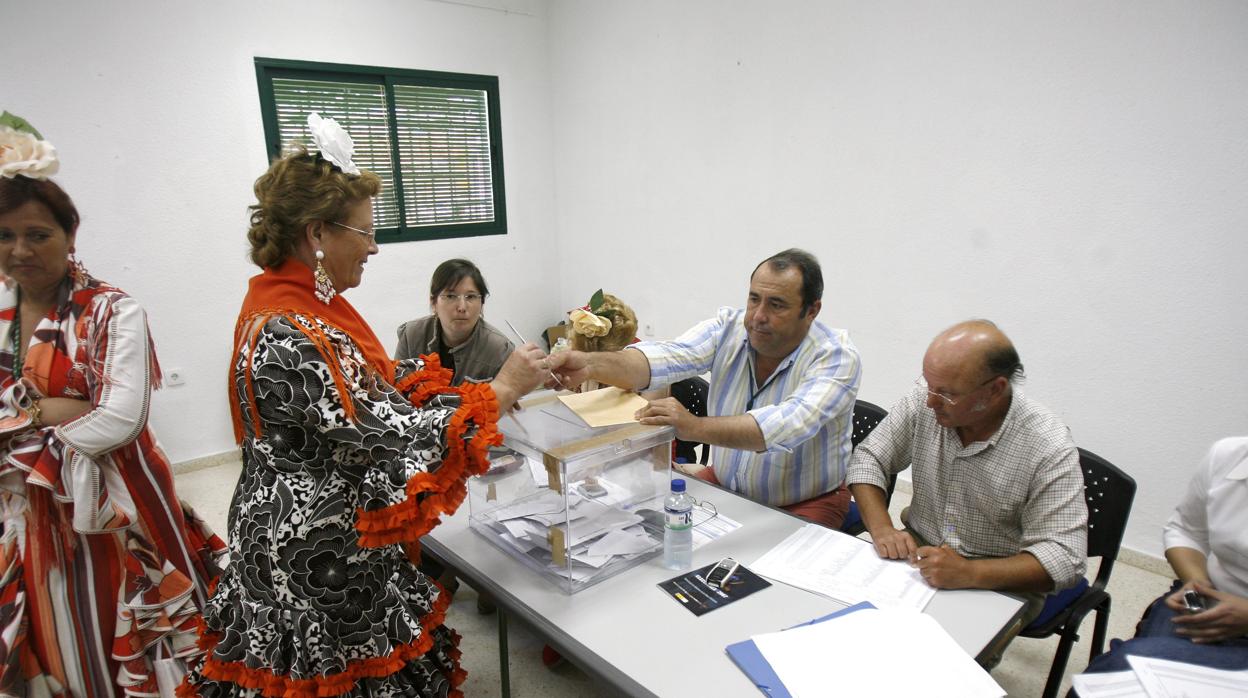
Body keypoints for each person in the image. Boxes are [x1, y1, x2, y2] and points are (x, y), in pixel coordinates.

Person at [181, 114, 558, 695]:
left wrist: (485, 385)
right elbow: (383, 433)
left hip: (318, 535)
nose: (375, 246)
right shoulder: (289, 330)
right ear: (317, 234)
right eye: (364, 231)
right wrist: (499, 391)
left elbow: (378, 384)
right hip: (311, 557)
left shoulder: (298, 308)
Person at [0, 114, 225, 693]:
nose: (20, 250)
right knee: (57, 635)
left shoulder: (112, 310)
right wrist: (61, 408)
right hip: (26, 512)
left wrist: (18, 424)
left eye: (37, 234)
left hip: (114, 508)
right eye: (3, 236)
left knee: (131, 632)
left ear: (70, 235)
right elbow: (88, 412)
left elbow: (120, 420)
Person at [553, 249, 861, 529]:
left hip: (805, 502)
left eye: (776, 305)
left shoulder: (836, 357)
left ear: (811, 310)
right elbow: (665, 357)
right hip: (727, 485)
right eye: (754, 299)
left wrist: (694, 427)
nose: (758, 316)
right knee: (660, 536)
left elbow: (788, 425)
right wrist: (588, 363)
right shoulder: (729, 328)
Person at [847, 319, 1087, 663]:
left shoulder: (1047, 446)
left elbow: (1065, 557)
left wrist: (970, 573)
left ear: (995, 389)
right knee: (855, 631)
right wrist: (882, 527)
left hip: (1000, 577)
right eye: (928, 385)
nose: (931, 402)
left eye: (946, 393)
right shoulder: (926, 401)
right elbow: (869, 459)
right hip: (919, 551)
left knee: (939, 665)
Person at [1079, 437, 1248, 677]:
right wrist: (1196, 582)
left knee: (1130, 662)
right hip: (1208, 595)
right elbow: (1186, 531)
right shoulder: (1228, 456)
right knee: (1120, 673)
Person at [395, 258, 513, 385]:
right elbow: (395, 390)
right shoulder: (411, 334)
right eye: (451, 296)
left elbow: (505, 401)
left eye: (471, 297)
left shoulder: (500, 349)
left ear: (482, 303)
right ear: (434, 302)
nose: (462, 307)